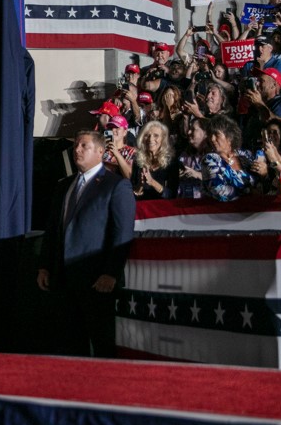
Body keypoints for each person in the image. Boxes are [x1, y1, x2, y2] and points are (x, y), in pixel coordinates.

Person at [36, 130, 136, 358]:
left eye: (84, 146)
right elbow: (53, 229)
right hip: (63, 279)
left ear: (100, 152)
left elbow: (122, 234)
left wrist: (110, 273)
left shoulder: (116, 186)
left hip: (96, 281)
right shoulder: (64, 186)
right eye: (76, 146)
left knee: (101, 343)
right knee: (68, 343)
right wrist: (45, 265)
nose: (77, 150)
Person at [201, 114, 255, 202]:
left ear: (230, 137)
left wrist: (264, 173)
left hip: (252, 211)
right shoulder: (210, 159)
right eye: (210, 135)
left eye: (216, 135)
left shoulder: (246, 155)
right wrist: (249, 193)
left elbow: (260, 183)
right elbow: (219, 191)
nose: (212, 139)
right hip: (222, 212)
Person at [132, 120, 177, 200]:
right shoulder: (137, 161)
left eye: (156, 135)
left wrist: (152, 182)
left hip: (163, 210)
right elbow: (132, 196)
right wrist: (140, 185)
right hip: (142, 208)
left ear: (163, 139)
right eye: (147, 135)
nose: (150, 139)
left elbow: (172, 195)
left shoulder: (171, 163)